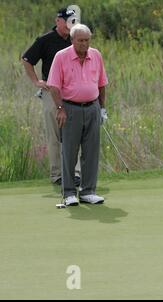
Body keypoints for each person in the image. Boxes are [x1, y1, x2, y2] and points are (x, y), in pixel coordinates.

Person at [47, 23, 108, 206]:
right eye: (80, 40)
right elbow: (54, 86)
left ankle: (88, 191)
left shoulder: (96, 55)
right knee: (69, 152)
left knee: (91, 152)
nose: (84, 44)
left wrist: (102, 108)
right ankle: (69, 193)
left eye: (87, 40)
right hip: (70, 109)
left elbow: (102, 83)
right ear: (72, 40)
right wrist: (60, 109)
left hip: (92, 108)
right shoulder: (62, 57)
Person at [22, 7, 82, 186]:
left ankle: (75, 173)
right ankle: (57, 175)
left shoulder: (75, 40)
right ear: (58, 21)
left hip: (72, 91)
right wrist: (36, 82)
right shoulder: (45, 40)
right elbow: (27, 60)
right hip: (51, 90)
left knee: (74, 133)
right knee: (55, 135)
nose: (71, 24)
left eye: (74, 21)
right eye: (68, 21)